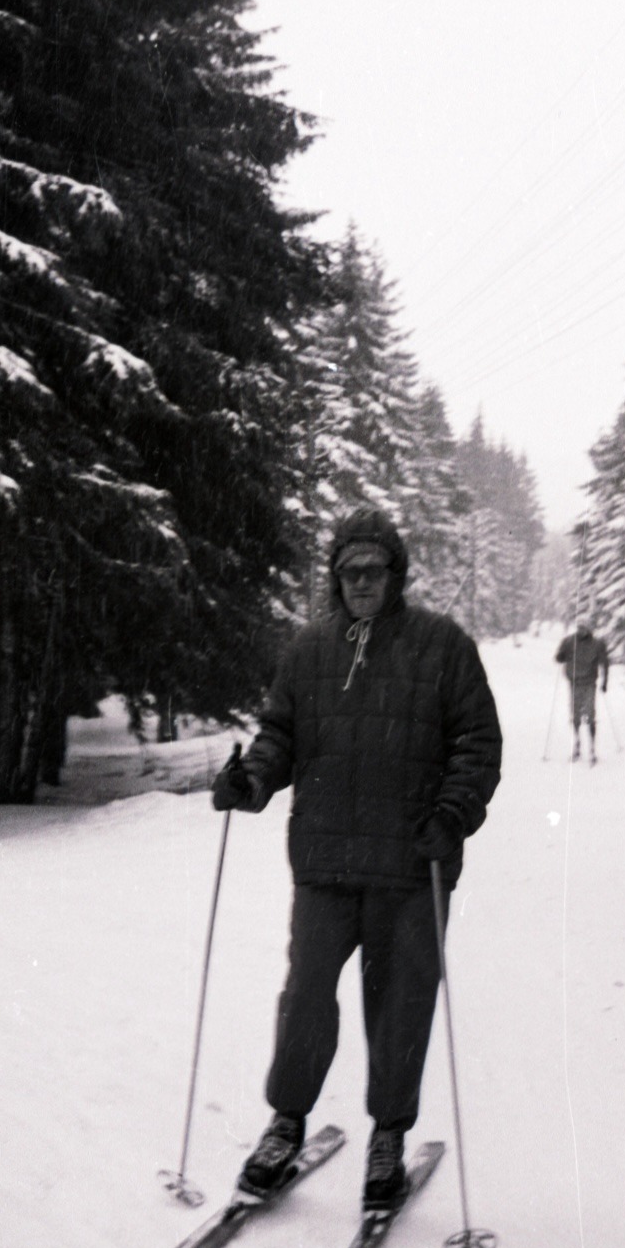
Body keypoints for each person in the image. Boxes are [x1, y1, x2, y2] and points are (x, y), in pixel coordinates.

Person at [211, 506, 502, 1211]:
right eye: (347, 571)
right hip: (324, 859)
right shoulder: (308, 650)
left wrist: (452, 813)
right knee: (306, 994)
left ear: (395, 572)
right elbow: (281, 733)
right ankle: (286, 1122)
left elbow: (477, 742)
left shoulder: (442, 645)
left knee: (400, 1004)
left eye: (372, 569)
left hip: (411, 863)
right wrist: (249, 778)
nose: (360, 582)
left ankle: (388, 1136)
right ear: (334, 577)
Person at [554, 620, 609, 764]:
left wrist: (605, 682)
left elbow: (605, 663)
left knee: (590, 715)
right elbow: (559, 657)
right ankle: (577, 744)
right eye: (579, 627)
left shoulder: (598, 643)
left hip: (589, 684)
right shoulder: (568, 641)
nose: (581, 630)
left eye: (584, 628)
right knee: (575, 715)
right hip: (573, 683)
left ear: (590, 629)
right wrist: (560, 657)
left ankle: (592, 749)